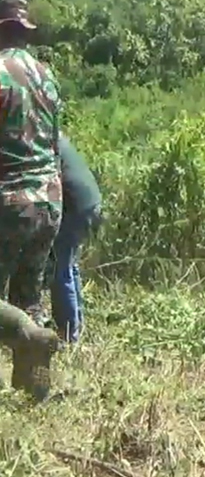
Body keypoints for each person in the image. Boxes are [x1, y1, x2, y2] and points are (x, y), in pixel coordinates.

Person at [0, 0, 64, 400]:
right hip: (49, 200)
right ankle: (33, 394)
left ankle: (25, 335)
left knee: (14, 309)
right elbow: (54, 140)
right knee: (28, 297)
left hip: (10, 200)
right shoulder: (46, 74)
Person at [43, 132, 102, 343]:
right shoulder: (53, 134)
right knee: (69, 266)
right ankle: (76, 325)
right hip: (90, 202)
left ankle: (68, 336)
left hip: (75, 206)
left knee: (60, 269)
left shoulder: (39, 140)